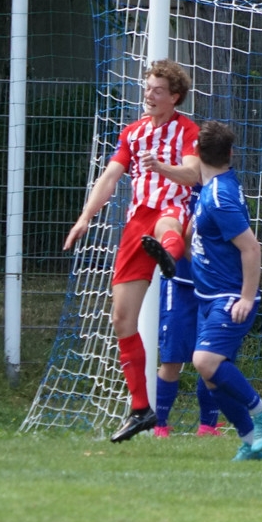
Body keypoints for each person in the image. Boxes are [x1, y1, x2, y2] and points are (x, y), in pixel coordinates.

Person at [63, 59, 201, 443]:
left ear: (175, 97)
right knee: (122, 319)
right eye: (147, 88)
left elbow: (193, 173)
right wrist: (85, 218)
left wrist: (162, 167)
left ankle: (169, 254)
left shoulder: (187, 130)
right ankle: (141, 409)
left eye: (158, 90)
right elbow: (109, 177)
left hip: (171, 208)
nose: (149, 95)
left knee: (168, 226)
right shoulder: (133, 133)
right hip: (136, 222)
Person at [188, 120, 262, 461]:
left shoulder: (219, 197)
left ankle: (261, 410)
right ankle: (250, 441)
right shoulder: (218, 184)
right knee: (213, 377)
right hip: (208, 295)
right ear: (231, 154)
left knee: (205, 361)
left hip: (229, 296)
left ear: (196, 153)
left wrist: (246, 297)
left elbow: (251, 248)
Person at [152, 254, 223, 438]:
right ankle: (158, 424)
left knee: (212, 359)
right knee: (172, 358)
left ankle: (208, 426)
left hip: (214, 287)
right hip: (178, 283)